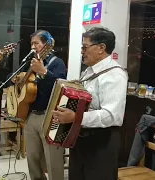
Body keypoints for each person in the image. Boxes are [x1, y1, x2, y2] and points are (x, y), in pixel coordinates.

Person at [52, 27, 128, 180]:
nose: (82, 51)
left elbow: (112, 116)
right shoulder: (88, 71)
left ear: (101, 48)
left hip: (101, 142)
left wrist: (75, 117)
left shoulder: (114, 75)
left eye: (85, 47)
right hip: (82, 138)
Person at [11, 30, 67, 180]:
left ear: (47, 44)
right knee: (33, 158)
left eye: (36, 43)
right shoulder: (31, 63)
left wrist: (43, 72)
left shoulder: (57, 63)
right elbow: (24, 85)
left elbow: (61, 86)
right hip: (31, 115)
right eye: (31, 44)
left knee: (52, 160)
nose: (33, 47)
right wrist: (17, 80)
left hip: (50, 116)